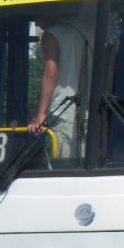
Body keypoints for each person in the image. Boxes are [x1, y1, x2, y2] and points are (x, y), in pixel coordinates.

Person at [29, 15, 89, 159]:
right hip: (87, 112)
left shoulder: (52, 34)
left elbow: (51, 72)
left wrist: (41, 113)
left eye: (37, 15)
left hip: (62, 113)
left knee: (62, 169)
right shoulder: (85, 32)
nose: (36, 22)